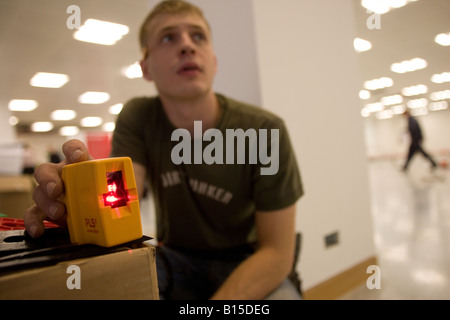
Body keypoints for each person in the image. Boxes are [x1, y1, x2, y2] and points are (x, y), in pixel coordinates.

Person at [24, 0, 304, 300]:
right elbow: (119, 206)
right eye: (169, 37)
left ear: (213, 60)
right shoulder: (139, 117)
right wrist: (81, 203)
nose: (186, 46)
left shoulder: (265, 130)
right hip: (175, 260)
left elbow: (276, 252)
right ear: (145, 68)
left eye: (198, 36)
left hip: (249, 263)